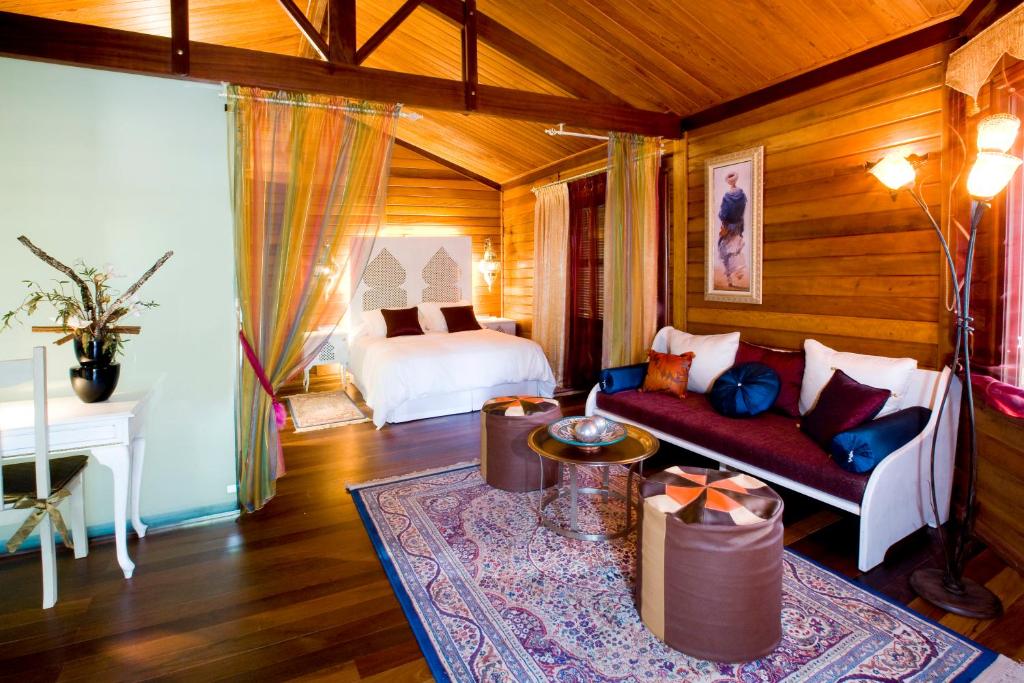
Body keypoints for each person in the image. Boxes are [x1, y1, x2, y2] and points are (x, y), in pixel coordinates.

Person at [717, 171, 747, 289]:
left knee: (725, 250)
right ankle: (738, 272)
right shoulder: (742, 195)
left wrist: (722, 217)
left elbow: (723, 214)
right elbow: (742, 211)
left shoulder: (727, 196)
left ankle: (730, 278)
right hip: (738, 226)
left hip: (728, 227)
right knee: (736, 250)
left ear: (729, 182)